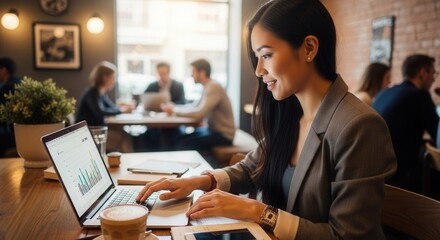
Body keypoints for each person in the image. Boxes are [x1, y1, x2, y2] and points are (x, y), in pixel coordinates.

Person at [137, 1, 396, 239]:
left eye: (267, 55)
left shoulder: (359, 126)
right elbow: (252, 168)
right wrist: (199, 181)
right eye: (257, 57)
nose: (259, 71)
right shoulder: (290, 112)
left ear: (309, 48)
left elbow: (347, 236)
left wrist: (258, 211)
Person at [373, 54, 438, 192]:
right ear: (423, 73)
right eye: (433, 73)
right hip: (397, 174)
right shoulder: (420, 95)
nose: (434, 79)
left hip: (375, 169)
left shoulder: (386, 92)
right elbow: (437, 134)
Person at [161, 59, 235, 152]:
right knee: (180, 138)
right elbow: (193, 106)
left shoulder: (213, 86)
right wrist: (174, 108)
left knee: (183, 143)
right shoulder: (208, 86)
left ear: (202, 72)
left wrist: (174, 111)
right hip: (213, 131)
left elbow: (199, 114)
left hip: (223, 136)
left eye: (193, 71)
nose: (191, 75)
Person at [76, 61, 134, 152]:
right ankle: (128, 161)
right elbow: (100, 112)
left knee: (123, 134)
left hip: (96, 130)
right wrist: (122, 110)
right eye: (113, 78)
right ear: (105, 77)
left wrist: (122, 108)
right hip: (88, 133)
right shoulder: (92, 93)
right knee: (123, 136)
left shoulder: (101, 93)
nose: (114, 81)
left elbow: (111, 107)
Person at [142, 62, 186, 151]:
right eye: (160, 74)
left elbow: (182, 102)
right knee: (148, 135)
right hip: (155, 121)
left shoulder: (178, 85)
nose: (162, 76)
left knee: (171, 135)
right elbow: (144, 100)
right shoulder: (152, 86)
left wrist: (172, 106)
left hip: (173, 122)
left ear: (169, 73)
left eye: (164, 73)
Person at [0, 57, 21, 157]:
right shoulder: (20, 82)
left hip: (13, 135)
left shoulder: (7, 87)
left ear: (4, 70)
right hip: (21, 133)